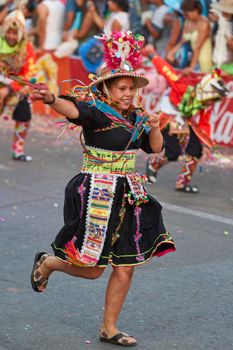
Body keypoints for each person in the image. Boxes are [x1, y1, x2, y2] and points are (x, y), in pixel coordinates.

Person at [30, 31, 175, 346]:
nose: (127, 93)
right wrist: (51, 99)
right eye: (121, 88)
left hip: (129, 196)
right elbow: (72, 110)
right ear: (107, 89)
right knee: (94, 269)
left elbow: (155, 148)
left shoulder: (136, 118)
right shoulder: (97, 114)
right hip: (95, 192)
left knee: (125, 266)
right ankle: (51, 262)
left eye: (130, 89)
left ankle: (109, 328)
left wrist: (153, 127)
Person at [143, 45, 228, 192]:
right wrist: (152, 55)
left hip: (185, 120)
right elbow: (167, 71)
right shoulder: (183, 86)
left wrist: (207, 143)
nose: (210, 103)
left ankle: (182, 182)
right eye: (211, 99)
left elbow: (204, 122)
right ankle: (153, 164)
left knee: (196, 150)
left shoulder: (205, 104)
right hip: (168, 116)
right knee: (173, 153)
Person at [0, 9, 36, 161]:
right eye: (9, 32)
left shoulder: (26, 47)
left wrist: (9, 87)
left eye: (15, 33)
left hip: (17, 87)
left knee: (24, 117)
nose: (11, 36)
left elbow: (30, 73)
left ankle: (18, 150)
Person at [166, 0, 213, 74]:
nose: (184, 16)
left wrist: (191, 67)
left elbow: (198, 47)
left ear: (195, 11)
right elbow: (183, 40)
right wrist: (171, 52)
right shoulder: (188, 21)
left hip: (203, 59)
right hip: (193, 58)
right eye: (184, 14)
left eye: (186, 14)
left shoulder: (204, 23)